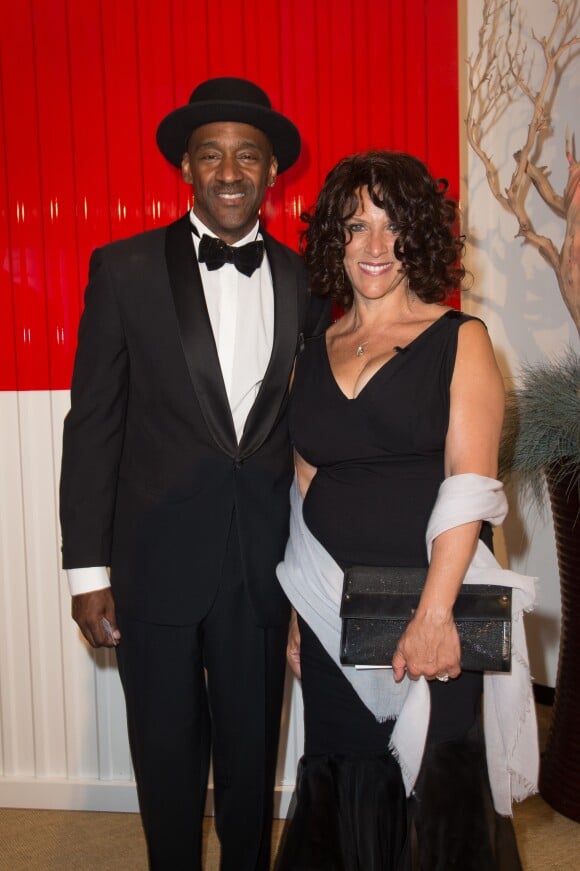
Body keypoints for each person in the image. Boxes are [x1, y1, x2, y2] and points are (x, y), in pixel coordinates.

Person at [59, 77, 329, 871]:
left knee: (253, 757)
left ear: (273, 170)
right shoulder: (123, 269)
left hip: (261, 568)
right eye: (211, 154)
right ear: (185, 166)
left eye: (248, 154)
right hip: (152, 565)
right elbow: (93, 425)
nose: (230, 169)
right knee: (167, 759)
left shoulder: (309, 279)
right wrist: (86, 568)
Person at [275, 151, 538, 869]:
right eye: (357, 226)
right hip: (335, 611)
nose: (375, 247)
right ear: (335, 237)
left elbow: (469, 483)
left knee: (433, 787)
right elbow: (303, 482)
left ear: (418, 236)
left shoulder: (462, 339)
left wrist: (434, 613)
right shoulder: (313, 346)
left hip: (436, 612)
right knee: (341, 773)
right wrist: (303, 607)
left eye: (393, 227)